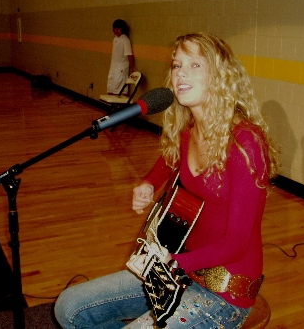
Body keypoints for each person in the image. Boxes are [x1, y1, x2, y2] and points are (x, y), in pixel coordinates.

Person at [54, 32, 279, 329]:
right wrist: (148, 183)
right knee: (69, 308)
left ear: (221, 76)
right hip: (177, 269)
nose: (180, 74)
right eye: (176, 65)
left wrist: (172, 262)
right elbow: (168, 162)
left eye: (195, 65)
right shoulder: (188, 131)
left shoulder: (246, 143)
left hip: (222, 292)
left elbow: (237, 243)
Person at [107, 19, 135, 95]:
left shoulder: (125, 40)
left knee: (119, 92)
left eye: (118, 28)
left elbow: (129, 55)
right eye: (115, 28)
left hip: (121, 70)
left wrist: (132, 68)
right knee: (110, 91)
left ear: (122, 29)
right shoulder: (115, 39)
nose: (116, 30)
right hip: (113, 69)